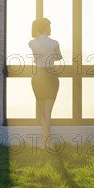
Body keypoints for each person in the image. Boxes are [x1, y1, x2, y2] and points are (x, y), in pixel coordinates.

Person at [28, 18, 62, 149]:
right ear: (45, 27)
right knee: (48, 112)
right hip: (50, 75)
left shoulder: (31, 43)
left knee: (43, 112)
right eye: (49, 26)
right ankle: (48, 142)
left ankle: (45, 142)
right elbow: (59, 57)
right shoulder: (54, 43)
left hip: (37, 76)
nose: (50, 29)